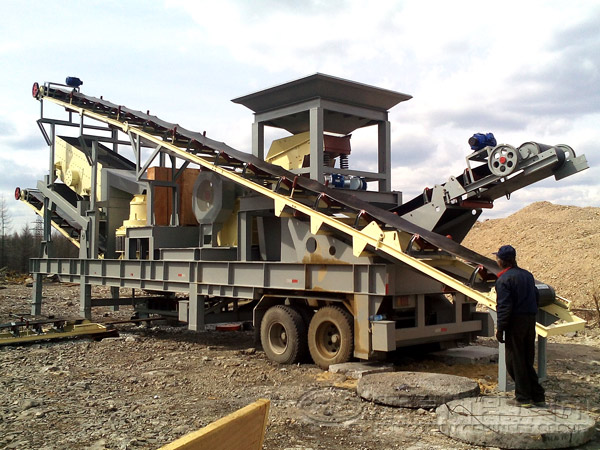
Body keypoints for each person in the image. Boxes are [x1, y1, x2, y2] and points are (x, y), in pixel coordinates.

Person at [494, 245, 545, 407]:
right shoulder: (527, 275)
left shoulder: (503, 280)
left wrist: (500, 328)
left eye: (497, 258)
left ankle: (523, 398)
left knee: (514, 361)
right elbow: (536, 296)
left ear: (502, 261)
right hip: (530, 320)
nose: (497, 261)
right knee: (526, 359)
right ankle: (538, 396)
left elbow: (504, 306)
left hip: (515, 322)